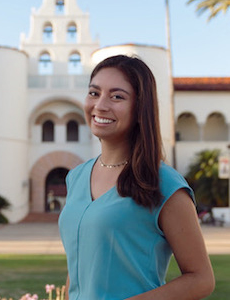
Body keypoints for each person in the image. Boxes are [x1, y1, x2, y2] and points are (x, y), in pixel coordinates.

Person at [58, 55, 215, 300]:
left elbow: (201, 279)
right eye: (94, 93)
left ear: (140, 108)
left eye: (117, 96)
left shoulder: (164, 184)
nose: (100, 105)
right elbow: (80, 265)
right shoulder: (76, 177)